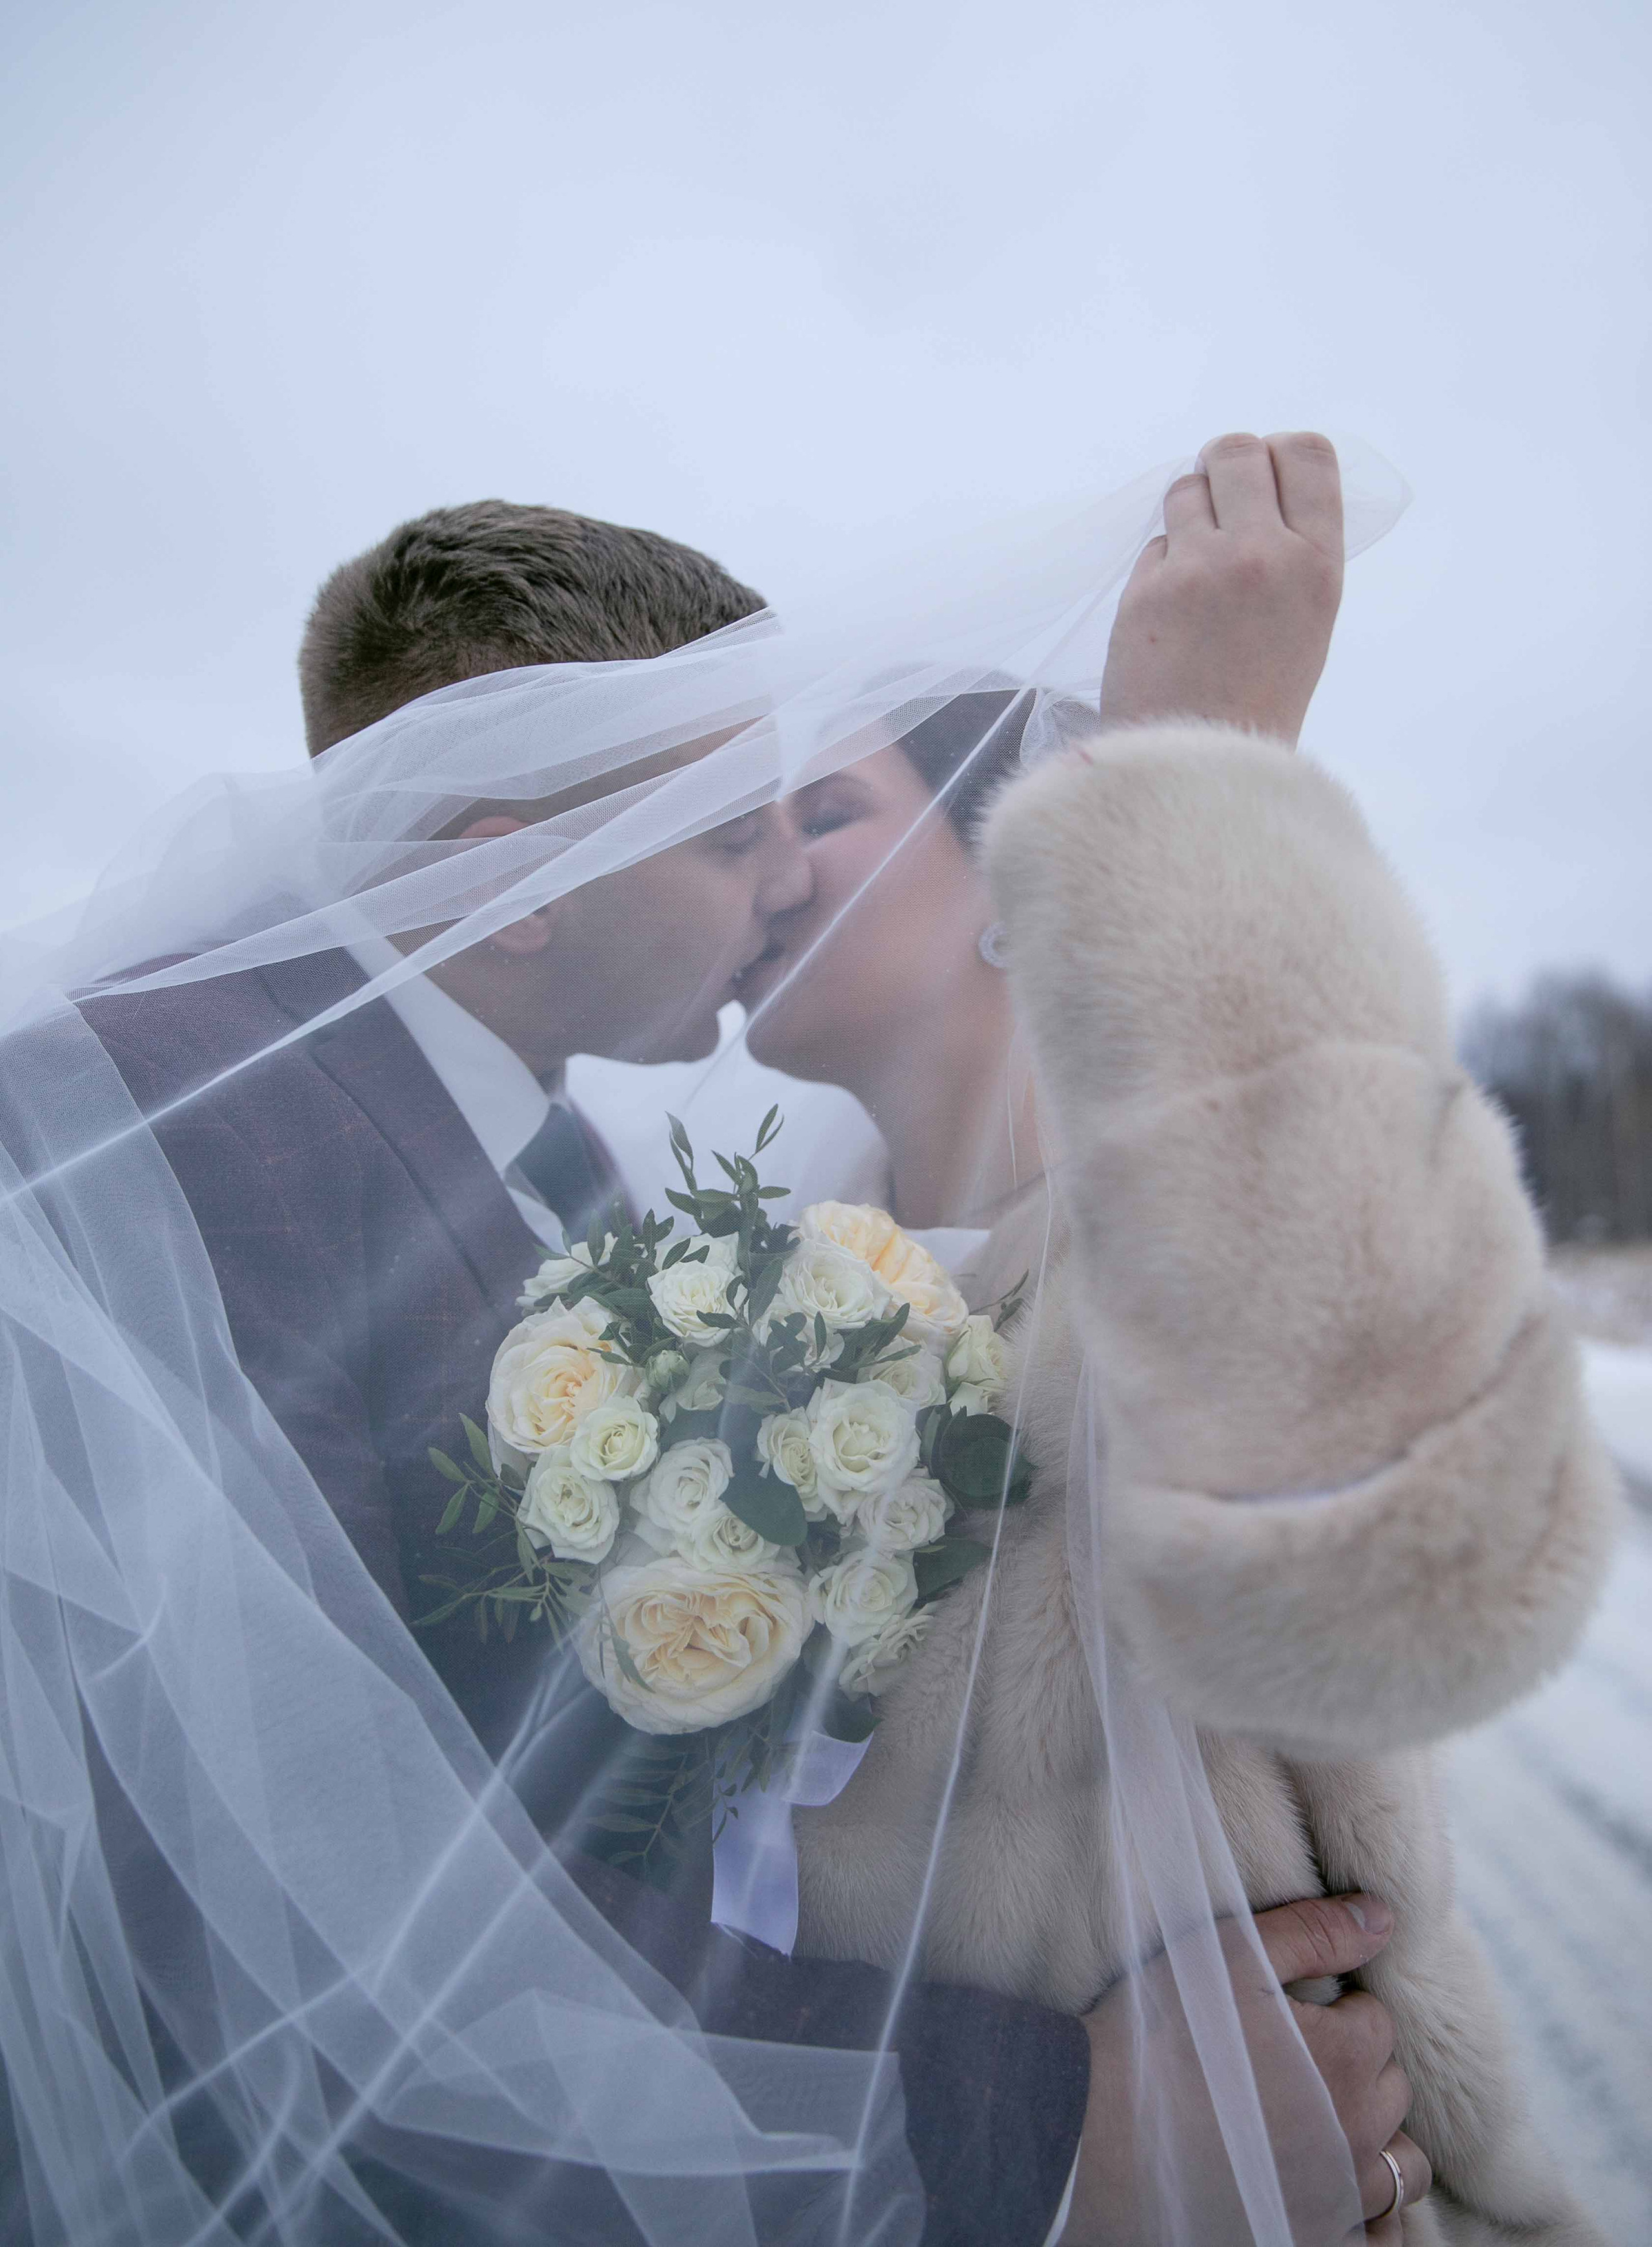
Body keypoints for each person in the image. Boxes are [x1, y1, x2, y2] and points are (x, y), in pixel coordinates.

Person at [0, 468, 1454, 2246]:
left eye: (801, 814)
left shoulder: (530, 1163)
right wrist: (1071, 2134)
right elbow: (321, 1921)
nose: (783, 880)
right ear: (510, 877)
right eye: (722, 826)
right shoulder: (221, 1152)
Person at [735, 434, 1619, 2239]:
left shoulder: (1166, 1269)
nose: (752, 865)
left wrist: (1189, 782)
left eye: (820, 812)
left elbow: (1439, 1583)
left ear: (1016, 881)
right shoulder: (766, 1325)